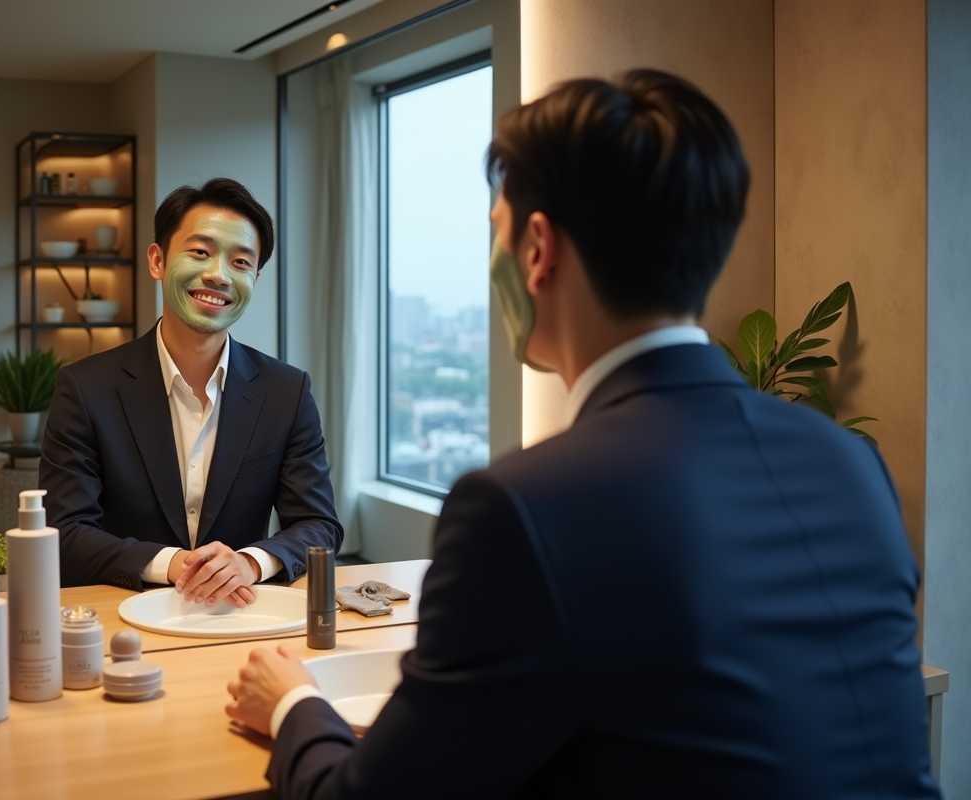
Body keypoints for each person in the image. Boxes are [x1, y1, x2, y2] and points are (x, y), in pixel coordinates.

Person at [224, 70, 940, 798]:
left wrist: (292, 703)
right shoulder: (853, 462)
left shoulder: (522, 508)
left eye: (494, 231)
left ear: (538, 250)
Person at [40, 178, 343, 605]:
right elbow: (64, 532)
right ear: (157, 260)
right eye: (199, 252)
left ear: (255, 278)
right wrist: (174, 564)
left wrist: (250, 562)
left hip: (239, 617)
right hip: (120, 615)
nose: (217, 275)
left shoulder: (286, 391)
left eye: (240, 263)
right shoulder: (86, 389)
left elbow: (319, 525)